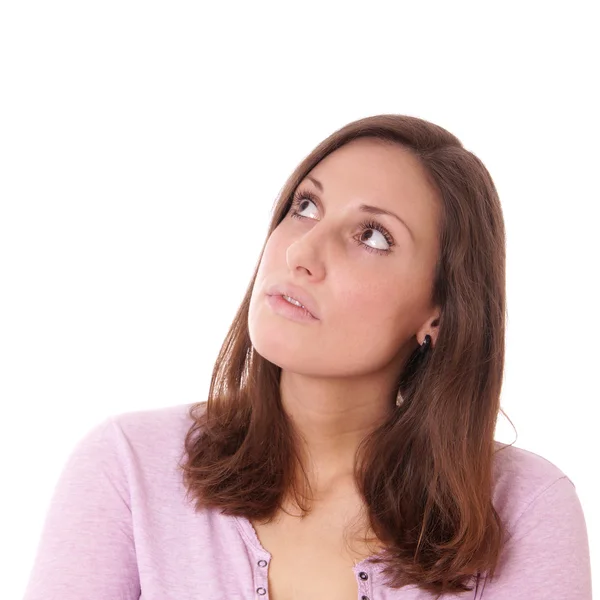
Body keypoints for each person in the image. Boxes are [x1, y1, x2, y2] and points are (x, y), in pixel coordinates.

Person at [22, 114, 592, 600]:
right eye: (306, 205)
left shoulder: (524, 509)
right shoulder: (128, 469)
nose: (302, 251)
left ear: (439, 312)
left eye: (372, 235)